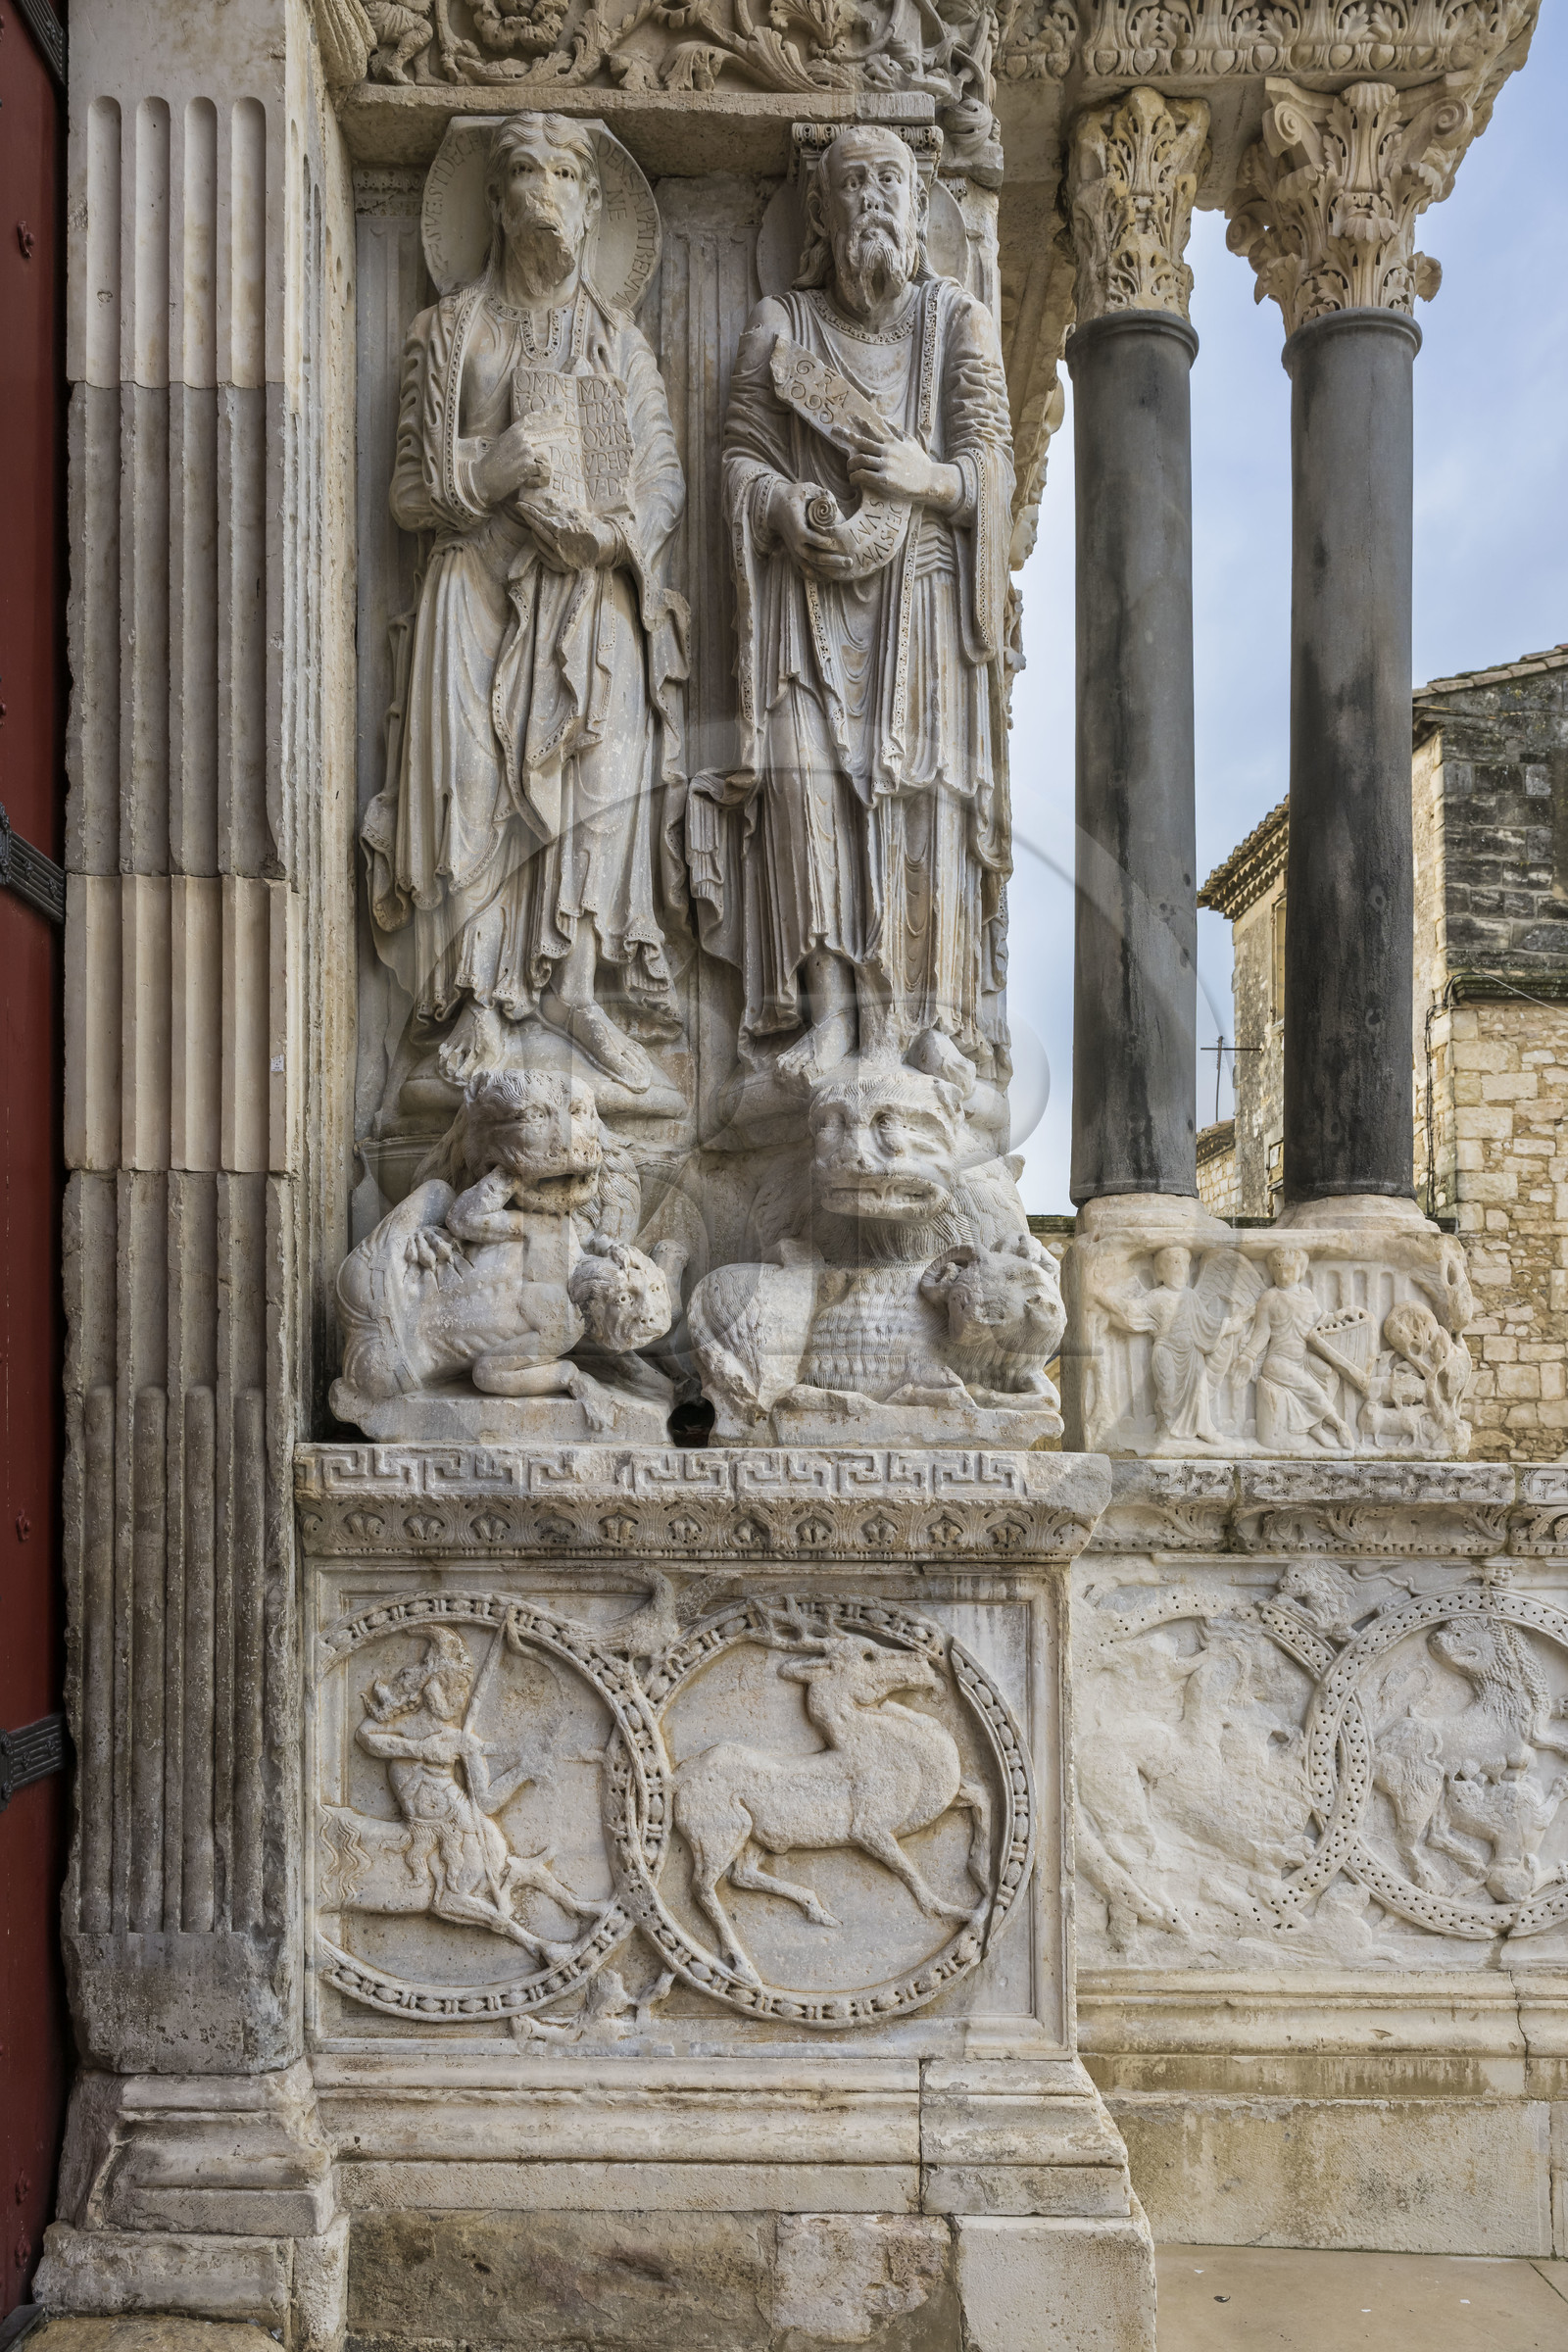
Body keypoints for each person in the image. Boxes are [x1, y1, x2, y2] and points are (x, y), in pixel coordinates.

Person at [363, 115, 686, 1099]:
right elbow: (411, 496)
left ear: (592, 208)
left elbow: (661, 471)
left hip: (582, 585)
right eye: (523, 171)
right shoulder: (447, 332)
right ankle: (475, 997)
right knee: (467, 765)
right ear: (494, 204)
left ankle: (580, 990)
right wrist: (493, 470)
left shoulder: (619, 343)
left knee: (609, 720)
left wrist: (617, 532)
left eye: (563, 171)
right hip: (475, 578)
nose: (544, 185)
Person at [698, 125, 1014, 1090]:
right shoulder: (778, 328)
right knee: (809, 795)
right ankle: (830, 1013)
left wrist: (932, 478)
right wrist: (783, 505)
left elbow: (991, 466)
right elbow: (738, 460)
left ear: (918, 209)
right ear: (822, 212)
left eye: (892, 182)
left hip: (920, 595)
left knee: (921, 798)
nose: (874, 199)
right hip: (804, 596)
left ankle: (924, 1019)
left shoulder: (954, 321)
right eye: (854, 184)